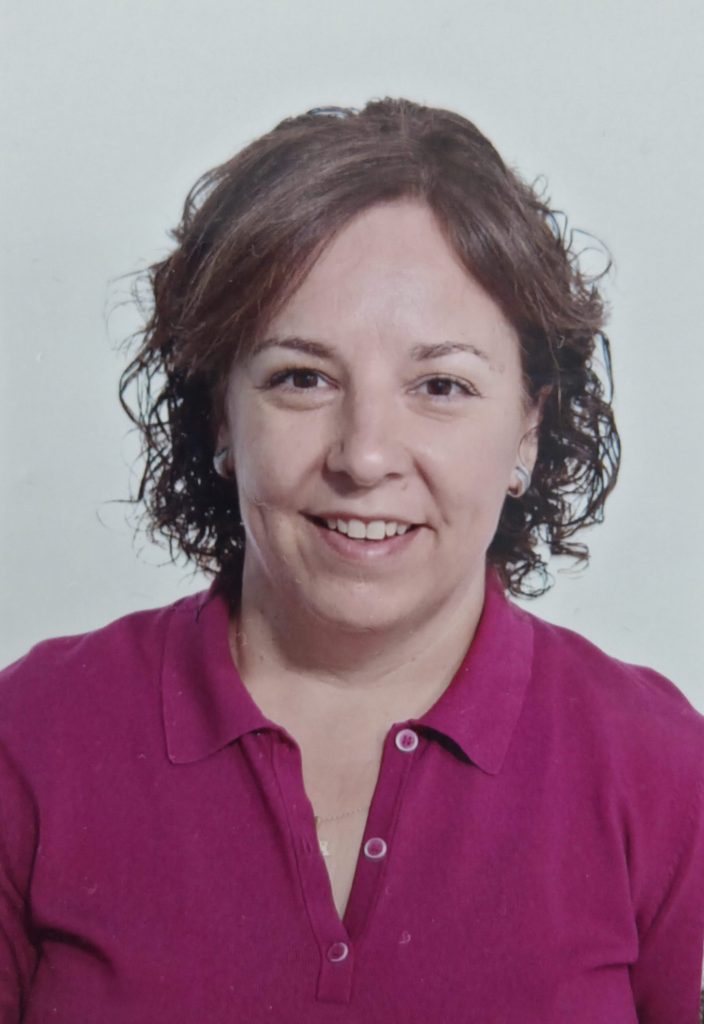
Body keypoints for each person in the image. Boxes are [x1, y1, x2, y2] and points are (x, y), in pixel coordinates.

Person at [1, 98, 702, 1023]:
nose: (365, 455)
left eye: (441, 385)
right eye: (302, 378)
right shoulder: (30, 737)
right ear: (220, 416)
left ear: (530, 427)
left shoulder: (664, 768)